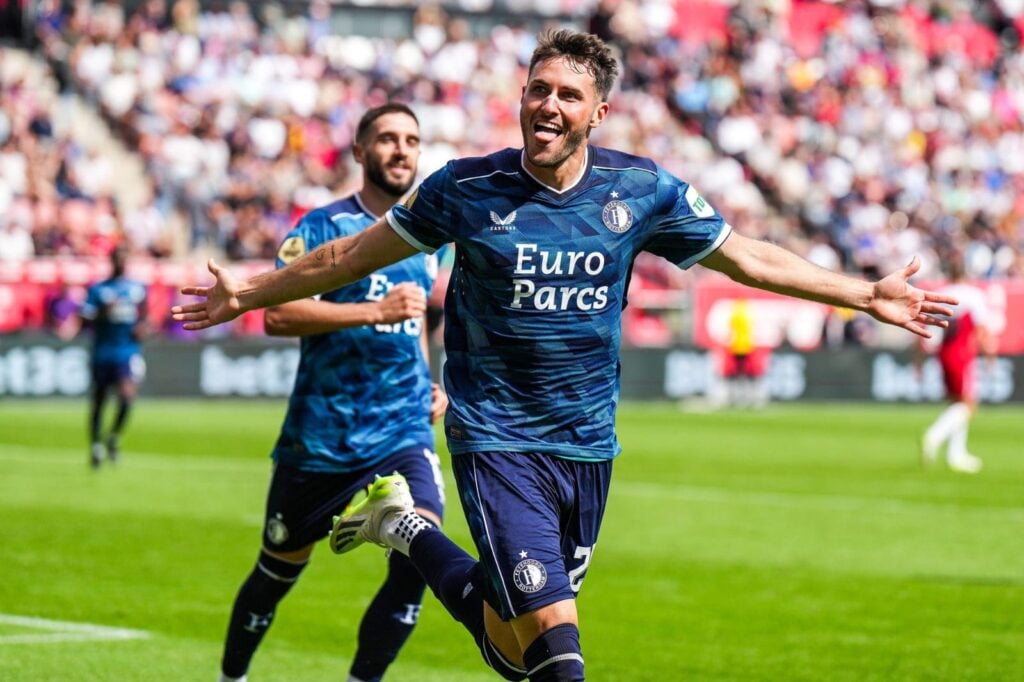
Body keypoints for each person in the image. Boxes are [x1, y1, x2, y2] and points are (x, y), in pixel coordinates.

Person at [174, 30, 956, 682]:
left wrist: (861, 293)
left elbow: (746, 257)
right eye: (537, 89)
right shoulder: (465, 188)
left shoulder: (640, 190)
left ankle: (405, 530)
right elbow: (347, 256)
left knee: (515, 653)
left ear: (598, 113)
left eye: (567, 95)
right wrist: (246, 292)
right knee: (559, 654)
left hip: (587, 444)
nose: (547, 105)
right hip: (497, 439)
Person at [216, 103, 449, 682]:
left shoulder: (431, 238)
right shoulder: (319, 228)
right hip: (322, 435)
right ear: (359, 152)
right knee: (275, 574)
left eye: (412, 140)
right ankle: (231, 677)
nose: (402, 150)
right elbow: (276, 315)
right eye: (388, 139)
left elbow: (418, 322)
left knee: (421, 553)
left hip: (401, 428)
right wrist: (372, 311)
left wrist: (431, 382)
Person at [64, 246, 148, 469]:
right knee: (99, 400)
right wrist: (103, 312)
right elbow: (85, 321)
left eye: (124, 259)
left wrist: (142, 330)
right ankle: (96, 446)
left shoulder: (137, 289)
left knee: (127, 396)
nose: (121, 263)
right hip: (103, 351)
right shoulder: (99, 290)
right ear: (112, 261)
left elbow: (145, 319)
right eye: (117, 259)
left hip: (127, 351)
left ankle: (113, 437)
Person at [918, 254, 998, 474]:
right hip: (963, 353)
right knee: (968, 404)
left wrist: (918, 362)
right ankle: (935, 435)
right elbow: (982, 330)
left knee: (955, 402)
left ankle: (956, 454)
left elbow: (924, 331)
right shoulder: (974, 295)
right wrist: (990, 357)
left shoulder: (940, 294)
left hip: (943, 352)